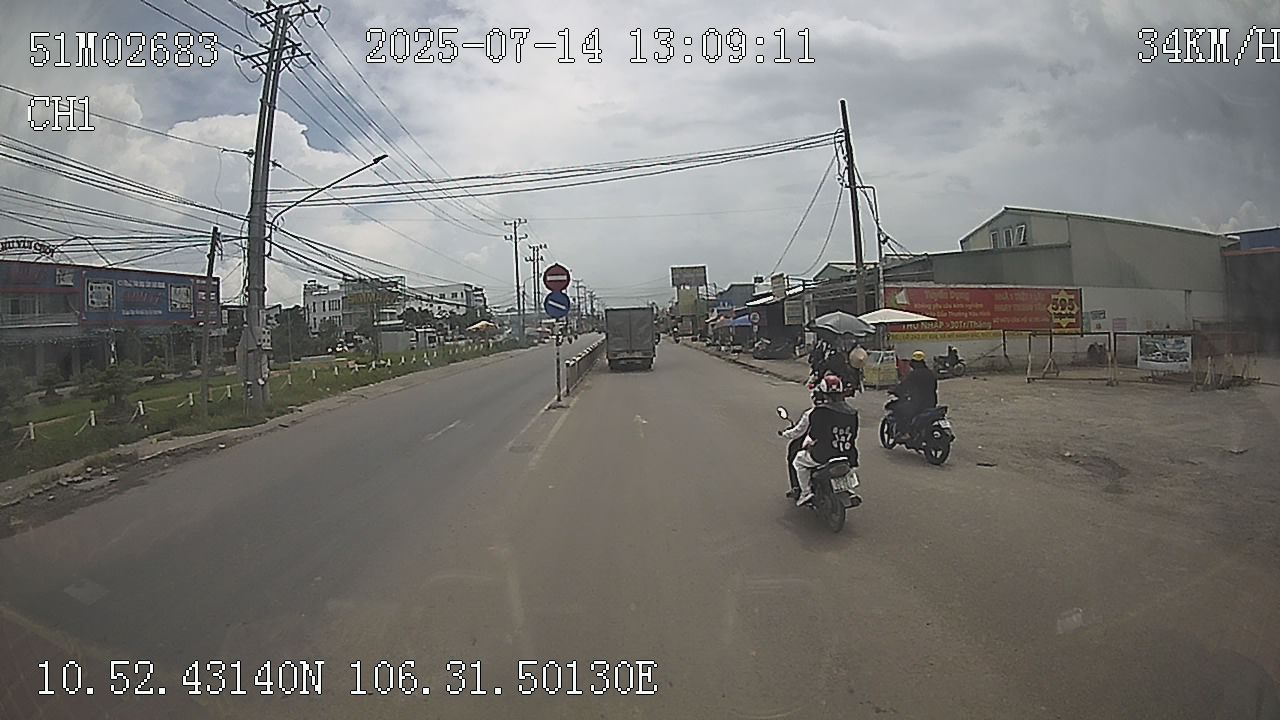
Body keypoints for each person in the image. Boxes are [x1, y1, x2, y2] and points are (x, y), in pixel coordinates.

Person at [779, 373, 860, 507]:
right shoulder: (852, 412)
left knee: (799, 461)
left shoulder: (819, 412)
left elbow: (814, 435)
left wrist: (808, 445)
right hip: (848, 454)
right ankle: (848, 489)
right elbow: (854, 435)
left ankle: (805, 493)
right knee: (848, 468)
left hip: (824, 455)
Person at [891, 350, 939, 441]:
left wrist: (896, 391)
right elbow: (935, 386)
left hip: (918, 404)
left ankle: (905, 433)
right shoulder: (930, 373)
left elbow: (904, 386)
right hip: (932, 402)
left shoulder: (914, 374)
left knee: (899, 410)